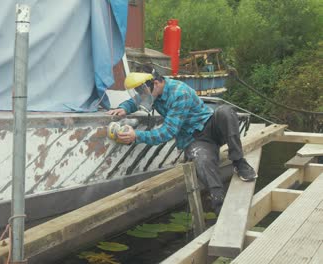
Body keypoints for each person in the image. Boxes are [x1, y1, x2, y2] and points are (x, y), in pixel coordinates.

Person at [107, 67, 257, 214]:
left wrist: (137, 136)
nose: (142, 95)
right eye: (140, 91)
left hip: (210, 126)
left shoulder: (179, 93)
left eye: (143, 91)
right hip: (194, 139)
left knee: (225, 112)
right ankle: (219, 203)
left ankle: (239, 161)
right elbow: (136, 100)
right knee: (202, 160)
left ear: (157, 83)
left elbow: (168, 132)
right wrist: (124, 108)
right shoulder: (152, 91)